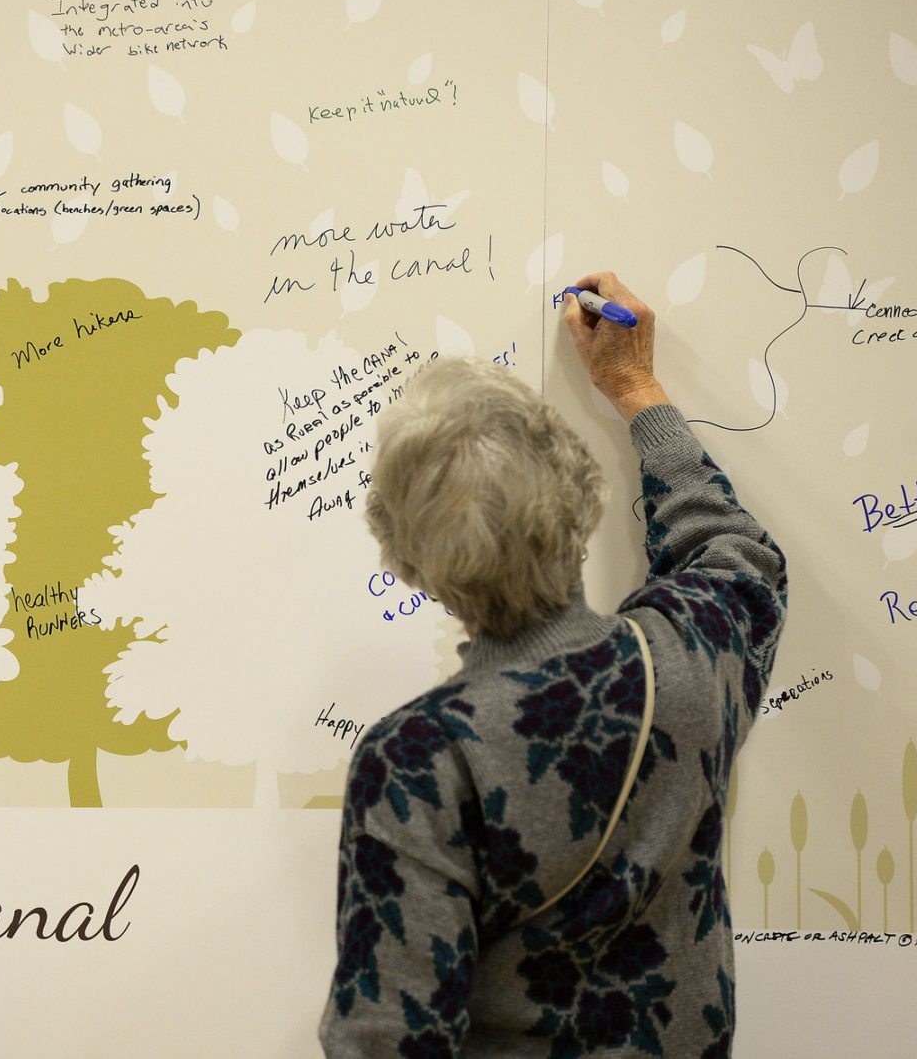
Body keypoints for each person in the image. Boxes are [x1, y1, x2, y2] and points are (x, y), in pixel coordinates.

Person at [320, 272, 785, 1058]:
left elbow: (388, 1042)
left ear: (407, 560)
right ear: (579, 496)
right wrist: (635, 387)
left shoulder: (416, 760)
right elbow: (733, 551)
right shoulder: (689, 657)